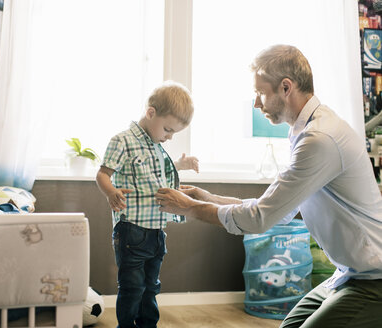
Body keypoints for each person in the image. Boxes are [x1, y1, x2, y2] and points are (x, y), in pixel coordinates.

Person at [155, 45, 382, 327]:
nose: (256, 104)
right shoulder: (303, 132)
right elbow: (276, 210)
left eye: (261, 93)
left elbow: (259, 219)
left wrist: (190, 208)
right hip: (349, 273)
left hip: (374, 279)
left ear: (286, 87)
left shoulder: (319, 139)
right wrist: (206, 197)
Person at [96, 81, 198, 328]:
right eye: (168, 129)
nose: (169, 136)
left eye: (174, 133)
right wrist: (110, 192)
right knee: (133, 286)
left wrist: (179, 165)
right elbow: (102, 174)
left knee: (151, 286)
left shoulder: (155, 145)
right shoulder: (123, 141)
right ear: (151, 112)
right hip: (131, 228)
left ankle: (147, 325)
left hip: (155, 230)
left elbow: (154, 175)